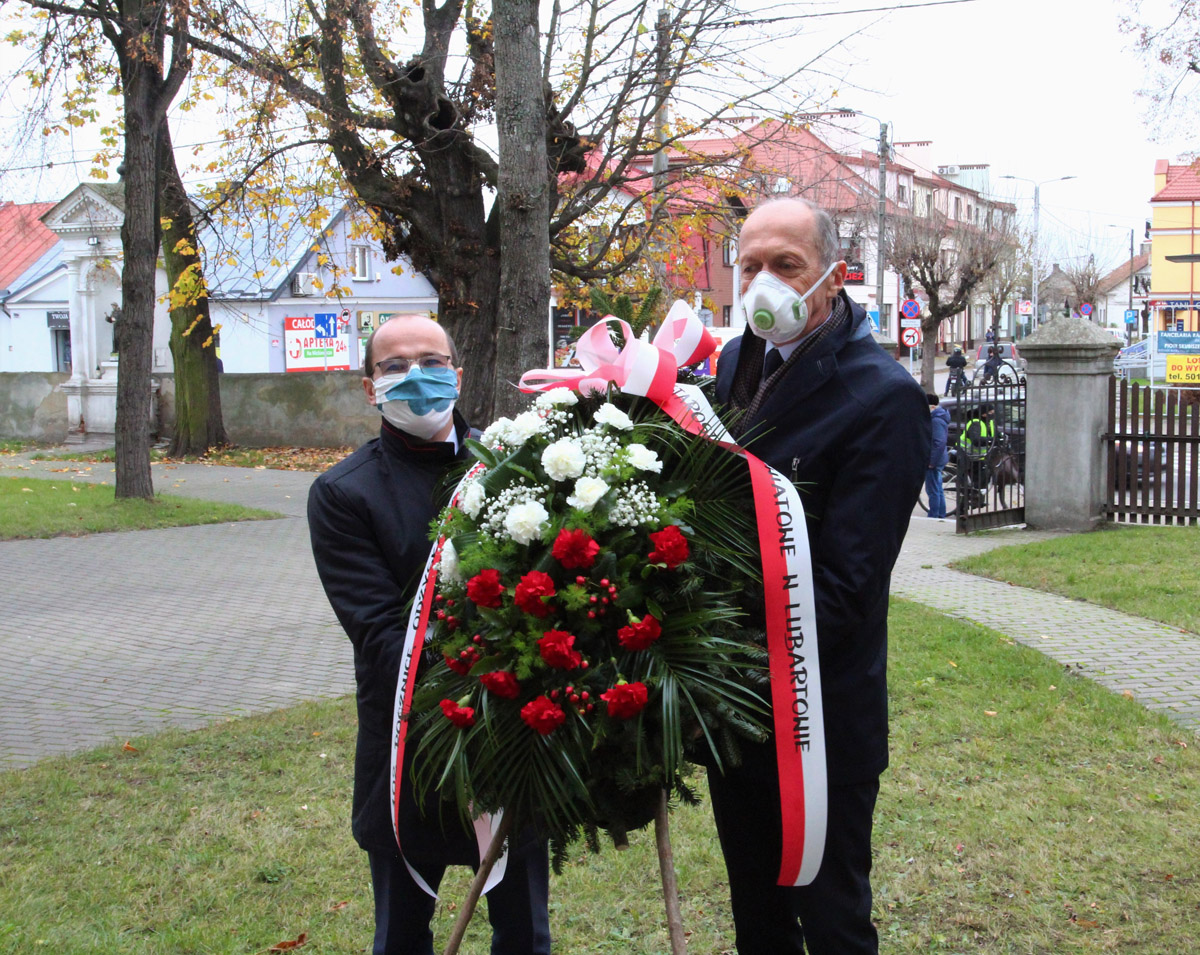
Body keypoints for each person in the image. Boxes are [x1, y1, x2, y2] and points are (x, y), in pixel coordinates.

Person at [714, 197, 930, 954]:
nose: (763, 284)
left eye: (785, 266)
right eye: (749, 267)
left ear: (833, 279)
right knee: (758, 918)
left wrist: (712, 643)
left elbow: (846, 587)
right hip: (734, 716)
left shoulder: (884, 397)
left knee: (834, 920)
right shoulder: (736, 362)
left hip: (817, 720)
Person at [307, 315, 551, 955]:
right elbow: (380, 632)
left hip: (513, 741)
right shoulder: (342, 493)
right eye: (394, 366)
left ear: (459, 374)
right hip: (410, 746)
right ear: (370, 387)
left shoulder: (516, 465)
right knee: (402, 935)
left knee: (524, 933)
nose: (416, 377)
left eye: (432, 361)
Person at [957, 402, 996, 506]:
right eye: (991, 412)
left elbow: (993, 434)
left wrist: (1000, 437)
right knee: (967, 484)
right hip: (966, 454)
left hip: (978, 456)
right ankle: (962, 507)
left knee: (982, 478)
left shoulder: (989, 422)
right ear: (984, 414)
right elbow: (976, 440)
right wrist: (990, 440)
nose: (993, 414)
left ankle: (977, 501)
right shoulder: (975, 423)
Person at [926, 393, 950, 519]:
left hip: (935, 459)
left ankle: (934, 515)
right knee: (937, 487)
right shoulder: (940, 417)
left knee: (933, 489)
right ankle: (940, 513)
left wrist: (931, 461)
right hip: (939, 458)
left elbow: (939, 442)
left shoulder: (935, 420)